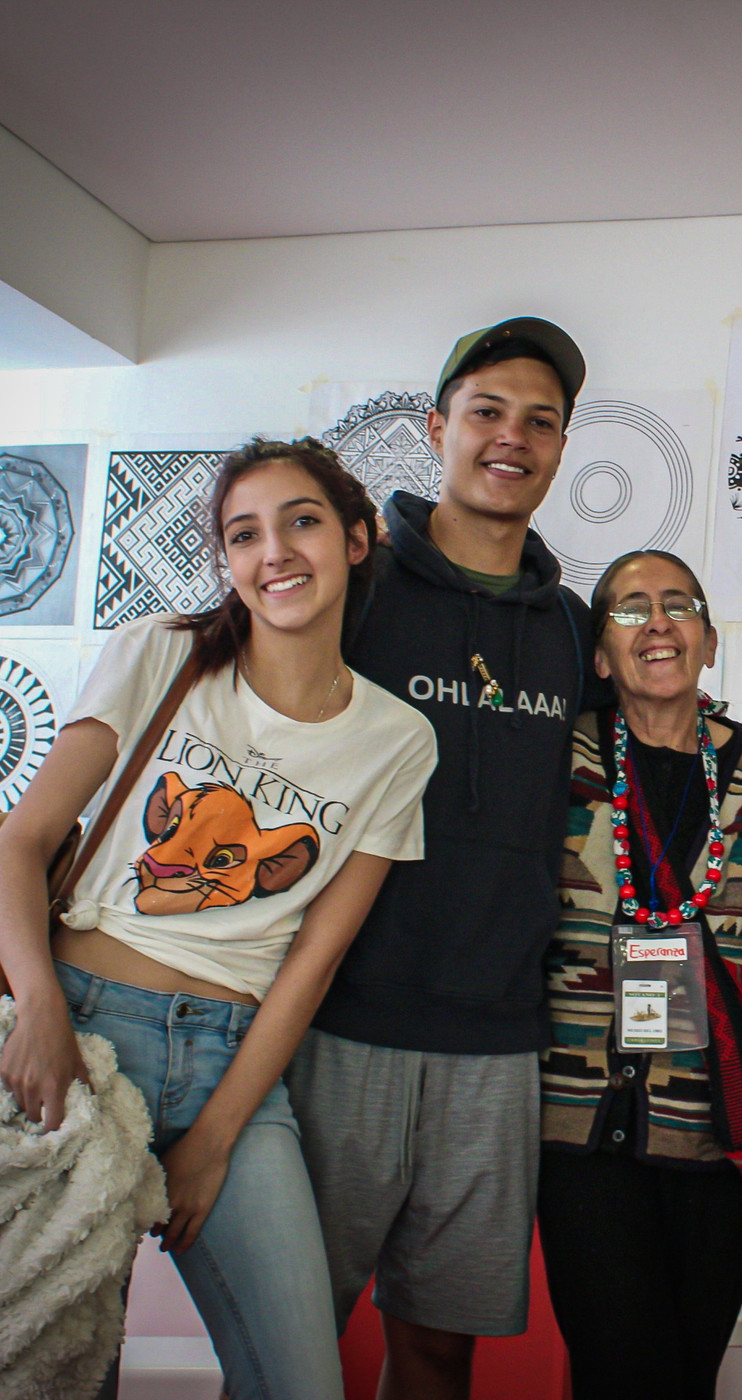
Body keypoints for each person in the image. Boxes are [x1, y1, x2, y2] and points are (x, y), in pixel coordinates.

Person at [0, 436, 437, 1400]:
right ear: (228, 560)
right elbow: (19, 842)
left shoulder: (398, 739)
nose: (273, 551)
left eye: (301, 522)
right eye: (244, 534)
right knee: (50, 1368)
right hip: (78, 1028)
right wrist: (38, 1008)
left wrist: (215, 1136)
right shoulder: (161, 653)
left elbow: (314, 961)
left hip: (231, 1066)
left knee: (302, 1382)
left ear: (357, 539)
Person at [284, 317, 611, 1400]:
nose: (512, 437)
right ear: (437, 429)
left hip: (498, 1044)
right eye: (487, 411)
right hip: (337, 1024)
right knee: (289, 1345)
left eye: (540, 421)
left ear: (560, 447)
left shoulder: (570, 629)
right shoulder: (358, 589)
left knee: (439, 1351)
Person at [536, 550, 742, 1400]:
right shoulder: (555, 757)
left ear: (709, 641)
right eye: (630, 608)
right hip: (579, 1131)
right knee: (620, 1373)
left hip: (717, 1128)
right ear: (600, 654)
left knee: (688, 1376)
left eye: (679, 605)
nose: (657, 622)